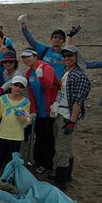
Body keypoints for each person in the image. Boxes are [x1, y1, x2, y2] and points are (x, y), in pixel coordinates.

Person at [50, 45, 91, 190]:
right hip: (61, 113)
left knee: (61, 148)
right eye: (65, 56)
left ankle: (61, 180)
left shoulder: (79, 76)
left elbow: (78, 101)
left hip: (67, 116)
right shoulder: (68, 72)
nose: (66, 58)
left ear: (76, 57)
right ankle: (66, 174)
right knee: (65, 147)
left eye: (70, 56)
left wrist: (71, 122)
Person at [20, 48, 59, 174]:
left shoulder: (46, 67)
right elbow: (30, 92)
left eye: (28, 56)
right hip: (38, 111)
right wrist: (33, 109)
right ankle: (37, 160)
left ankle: (47, 164)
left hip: (48, 110)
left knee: (47, 137)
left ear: (35, 56)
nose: (26, 60)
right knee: (38, 136)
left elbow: (48, 85)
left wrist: (41, 76)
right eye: (23, 57)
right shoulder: (29, 73)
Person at [0, 76, 31, 179]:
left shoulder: (26, 102)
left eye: (21, 87)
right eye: (16, 85)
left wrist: (24, 119)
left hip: (16, 136)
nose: (17, 88)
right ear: (11, 85)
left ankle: (7, 180)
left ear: (24, 89)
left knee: (11, 160)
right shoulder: (3, 98)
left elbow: (28, 118)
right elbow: (0, 112)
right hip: (2, 133)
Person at [18, 14, 70, 81]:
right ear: (51, 39)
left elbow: (77, 62)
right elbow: (31, 41)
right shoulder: (44, 50)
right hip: (44, 84)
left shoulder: (65, 54)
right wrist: (23, 25)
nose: (57, 39)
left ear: (63, 41)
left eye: (60, 38)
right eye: (55, 37)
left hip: (58, 86)